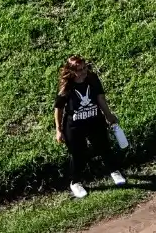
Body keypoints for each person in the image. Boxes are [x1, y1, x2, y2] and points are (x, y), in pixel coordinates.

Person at [54, 56, 126, 199]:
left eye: (84, 68)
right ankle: (75, 182)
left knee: (104, 147)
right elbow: (58, 108)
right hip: (74, 125)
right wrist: (58, 130)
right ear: (71, 71)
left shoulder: (92, 79)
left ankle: (114, 171)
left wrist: (108, 115)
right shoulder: (67, 86)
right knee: (78, 154)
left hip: (94, 120)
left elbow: (100, 99)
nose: (83, 72)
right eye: (79, 70)